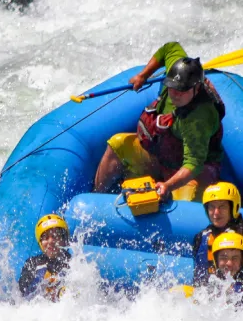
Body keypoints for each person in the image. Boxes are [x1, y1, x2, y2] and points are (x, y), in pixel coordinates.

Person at [93, 42, 224, 202]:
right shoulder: (177, 71)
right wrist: (143, 75)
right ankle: (96, 197)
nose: (175, 93)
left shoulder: (198, 119)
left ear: (196, 89)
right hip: (162, 157)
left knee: (186, 198)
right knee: (117, 144)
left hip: (187, 172)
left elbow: (193, 165)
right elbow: (170, 48)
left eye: (181, 90)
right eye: (171, 87)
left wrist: (168, 186)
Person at [18, 214, 71, 302]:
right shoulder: (33, 263)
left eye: (55, 236)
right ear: (40, 243)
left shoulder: (73, 263)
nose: (51, 241)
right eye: (45, 238)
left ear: (64, 240)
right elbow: (22, 292)